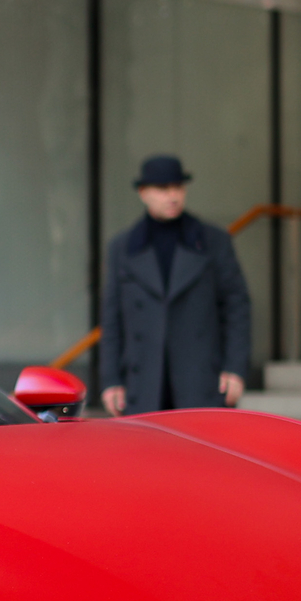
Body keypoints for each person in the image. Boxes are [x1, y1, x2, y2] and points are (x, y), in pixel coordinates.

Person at [99, 154, 252, 414]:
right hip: (143, 381)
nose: (173, 195)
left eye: (178, 187)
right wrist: (111, 380)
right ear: (143, 192)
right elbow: (112, 319)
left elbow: (237, 306)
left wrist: (235, 368)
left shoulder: (213, 241)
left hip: (201, 379)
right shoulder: (122, 248)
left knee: (201, 452)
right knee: (144, 452)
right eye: (162, 188)